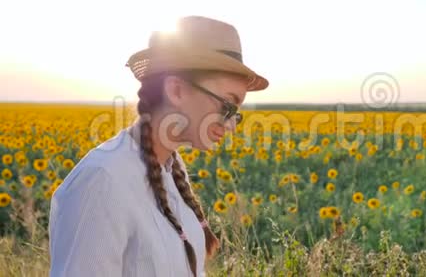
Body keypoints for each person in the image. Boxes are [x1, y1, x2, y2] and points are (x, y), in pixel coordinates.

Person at [48, 15, 269, 276]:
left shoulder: (172, 169)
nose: (231, 125)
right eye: (228, 106)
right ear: (176, 90)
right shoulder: (102, 180)